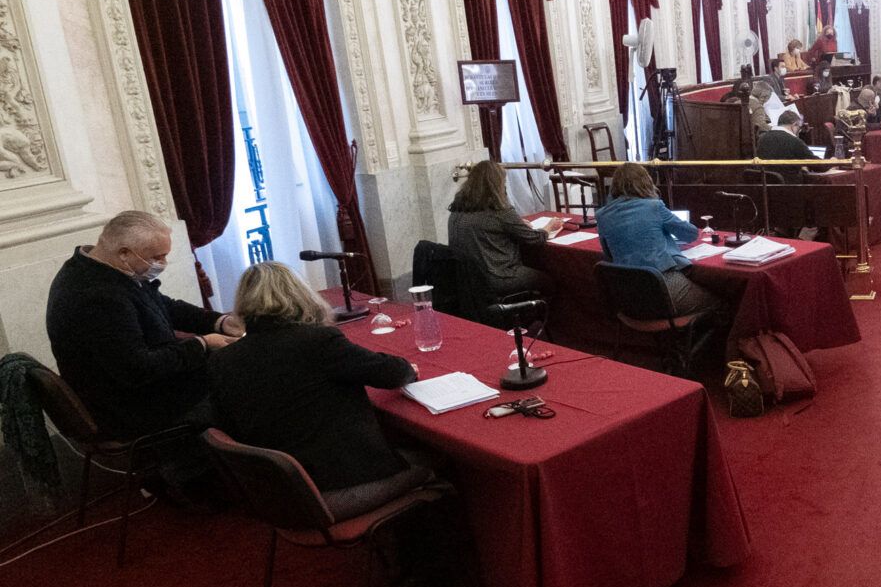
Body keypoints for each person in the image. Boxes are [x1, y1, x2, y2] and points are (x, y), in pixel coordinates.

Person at [45, 210, 241, 504]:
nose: (162, 263)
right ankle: (204, 480)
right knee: (236, 375)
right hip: (127, 405)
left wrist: (219, 321)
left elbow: (162, 305)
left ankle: (211, 468)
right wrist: (202, 344)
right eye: (157, 256)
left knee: (228, 365)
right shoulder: (97, 296)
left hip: (128, 387)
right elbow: (137, 369)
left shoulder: (100, 269)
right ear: (124, 252)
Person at [207, 261, 417, 494]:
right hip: (338, 484)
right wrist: (410, 368)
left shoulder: (221, 360)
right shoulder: (317, 341)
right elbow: (393, 374)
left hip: (278, 493)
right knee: (435, 459)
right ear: (299, 295)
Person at [595, 163, 728, 317]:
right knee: (723, 300)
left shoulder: (602, 215)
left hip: (627, 298)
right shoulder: (654, 206)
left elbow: (608, 254)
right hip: (663, 287)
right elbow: (690, 234)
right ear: (646, 182)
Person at [447, 160, 560, 309]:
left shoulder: (456, 210)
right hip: (499, 277)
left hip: (466, 280)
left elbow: (488, 230)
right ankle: (534, 318)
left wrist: (517, 225)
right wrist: (549, 226)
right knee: (549, 282)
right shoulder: (500, 211)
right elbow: (535, 239)